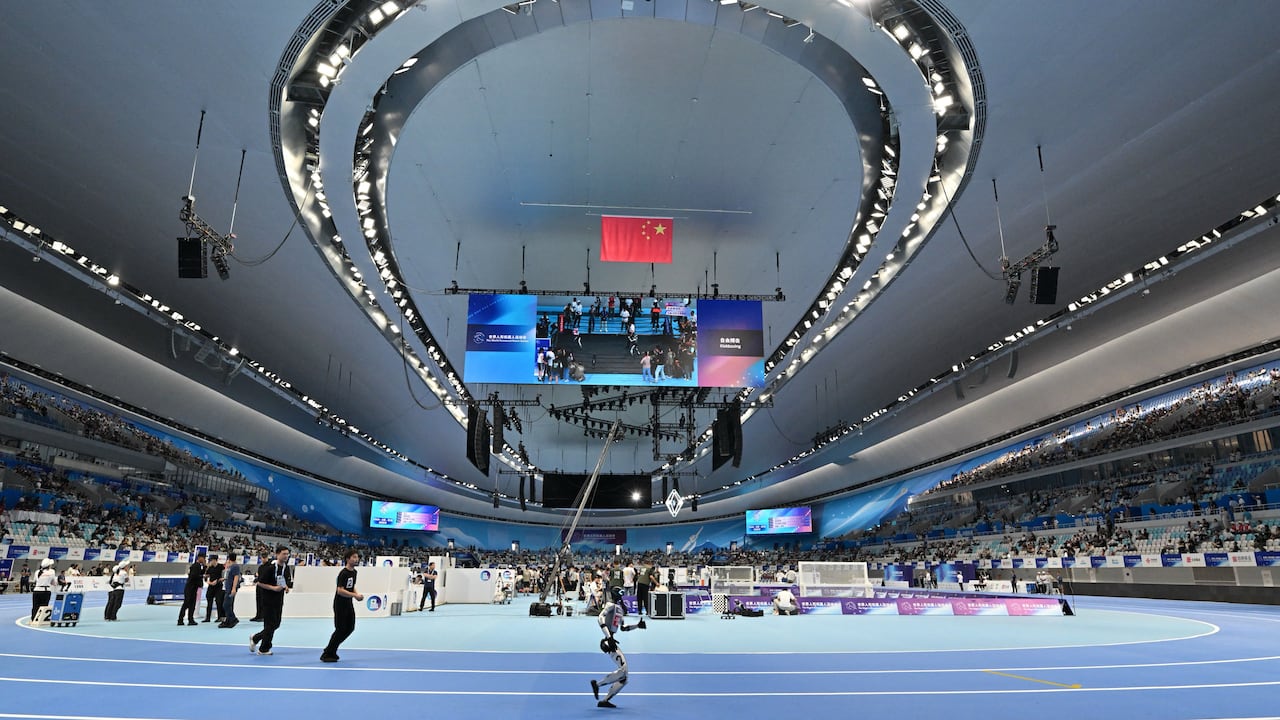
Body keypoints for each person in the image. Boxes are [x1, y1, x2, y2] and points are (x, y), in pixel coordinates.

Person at [591, 586, 645, 708]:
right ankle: (597, 685)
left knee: (624, 678)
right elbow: (600, 618)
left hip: (611, 641)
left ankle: (604, 700)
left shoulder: (619, 609)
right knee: (623, 670)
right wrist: (609, 637)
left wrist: (637, 625)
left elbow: (624, 627)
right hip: (608, 642)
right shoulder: (610, 605)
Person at [321, 550, 364, 663]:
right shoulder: (343, 573)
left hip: (348, 603)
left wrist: (356, 594)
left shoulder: (354, 572)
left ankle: (330, 648)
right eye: (354, 557)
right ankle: (328, 653)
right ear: (348, 559)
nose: (356, 559)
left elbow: (352, 586)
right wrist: (355, 595)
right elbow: (340, 590)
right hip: (340, 604)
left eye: (357, 557)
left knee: (350, 627)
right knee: (340, 629)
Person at [250, 546, 291, 656]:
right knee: (269, 625)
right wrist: (273, 588)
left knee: (276, 624)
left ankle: (256, 638)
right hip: (268, 600)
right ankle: (264, 649)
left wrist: (286, 587)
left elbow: (284, 581)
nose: (286, 556)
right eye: (284, 554)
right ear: (277, 554)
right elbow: (260, 583)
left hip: (279, 600)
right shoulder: (270, 568)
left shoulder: (286, 568)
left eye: (287, 554)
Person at [178, 552, 206, 626]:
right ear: (200, 558)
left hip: (193, 587)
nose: (204, 559)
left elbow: (201, 573)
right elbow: (194, 576)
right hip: (191, 587)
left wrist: (204, 566)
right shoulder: (196, 566)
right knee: (187, 603)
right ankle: (181, 619)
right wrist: (202, 576)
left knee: (192, 604)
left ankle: (190, 619)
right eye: (203, 558)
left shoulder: (197, 566)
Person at [219, 555, 242, 628]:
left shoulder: (235, 566)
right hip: (228, 587)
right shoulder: (231, 567)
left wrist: (233, 588)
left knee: (226, 605)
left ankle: (233, 619)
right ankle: (228, 620)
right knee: (228, 605)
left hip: (230, 588)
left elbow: (236, 577)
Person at [203, 554, 225, 623]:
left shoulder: (221, 567)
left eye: (211, 560)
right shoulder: (210, 568)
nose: (210, 561)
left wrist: (217, 580)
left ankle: (220, 617)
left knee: (219, 602)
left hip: (219, 586)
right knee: (209, 602)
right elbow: (205, 577)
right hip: (211, 586)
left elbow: (224, 577)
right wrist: (210, 582)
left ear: (215, 560)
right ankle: (207, 618)